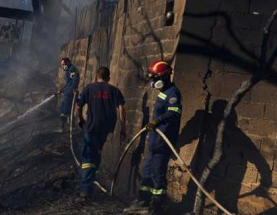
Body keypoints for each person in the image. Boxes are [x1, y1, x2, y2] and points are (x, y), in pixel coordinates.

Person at [127, 60, 182, 213]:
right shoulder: (163, 92)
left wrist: (158, 120)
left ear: (164, 77)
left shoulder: (173, 93)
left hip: (163, 140)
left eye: (155, 78)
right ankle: (143, 200)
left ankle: (158, 206)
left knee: (157, 172)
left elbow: (173, 112)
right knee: (147, 170)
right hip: (154, 140)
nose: (153, 81)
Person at [75, 66, 127, 198]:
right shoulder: (115, 91)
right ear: (108, 78)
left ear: (96, 76)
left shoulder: (89, 88)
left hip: (92, 127)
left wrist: (80, 119)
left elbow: (78, 106)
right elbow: (121, 108)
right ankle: (91, 176)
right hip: (106, 128)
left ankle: (86, 190)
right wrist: (123, 127)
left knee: (87, 156)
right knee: (96, 152)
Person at [56, 57, 79, 132]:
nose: (63, 67)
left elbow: (75, 80)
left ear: (68, 62)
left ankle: (66, 127)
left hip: (70, 93)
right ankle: (66, 126)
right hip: (67, 92)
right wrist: (62, 89)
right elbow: (69, 82)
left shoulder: (72, 69)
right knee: (64, 109)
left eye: (64, 64)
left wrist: (73, 89)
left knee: (66, 109)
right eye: (62, 65)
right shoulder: (68, 70)